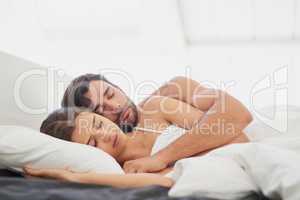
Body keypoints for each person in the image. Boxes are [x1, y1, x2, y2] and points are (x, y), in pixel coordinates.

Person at [45, 74, 253, 173]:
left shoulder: (170, 94)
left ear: (118, 87)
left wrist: (163, 158)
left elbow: (236, 116)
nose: (115, 107)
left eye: (111, 94)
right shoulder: (113, 160)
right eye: (100, 112)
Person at [28, 107, 249, 188]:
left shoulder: (155, 111)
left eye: (98, 123)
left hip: (248, 159)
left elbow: (237, 134)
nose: (106, 134)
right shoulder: (127, 171)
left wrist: (164, 158)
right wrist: (71, 178)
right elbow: (167, 183)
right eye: (94, 143)